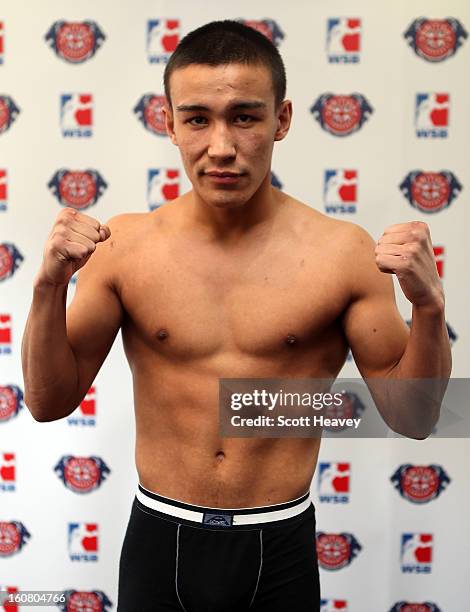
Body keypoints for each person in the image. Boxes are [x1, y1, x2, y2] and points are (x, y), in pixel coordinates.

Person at [21, 20, 451, 612]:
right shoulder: (125, 246)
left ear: (282, 119)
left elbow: (414, 417)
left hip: (280, 545)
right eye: (197, 118)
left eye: (245, 117)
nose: (221, 146)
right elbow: (48, 403)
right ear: (168, 123)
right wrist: (47, 287)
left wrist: (429, 308)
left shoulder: (341, 253)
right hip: (159, 537)